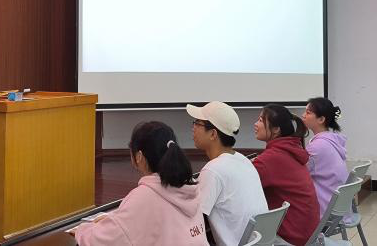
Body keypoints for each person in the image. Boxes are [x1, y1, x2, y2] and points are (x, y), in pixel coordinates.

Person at [74, 121, 208, 246]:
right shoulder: (190, 185)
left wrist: (82, 230)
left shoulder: (145, 196)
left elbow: (103, 239)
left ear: (139, 156)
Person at [187, 101, 268, 246]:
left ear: (213, 134)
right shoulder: (243, 160)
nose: (193, 128)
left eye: (197, 123)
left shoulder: (213, 170)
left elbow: (194, 218)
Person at [253, 104, 320, 246]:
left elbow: (241, 186)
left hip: (292, 238)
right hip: (309, 233)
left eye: (260, 120)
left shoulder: (271, 158)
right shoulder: (291, 148)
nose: (256, 124)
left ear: (276, 129)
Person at [302, 97, 349, 217]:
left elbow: (301, 174)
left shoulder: (317, 146)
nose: (303, 115)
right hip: (338, 206)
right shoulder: (332, 139)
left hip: (326, 208)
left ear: (321, 119)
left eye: (308, 112)